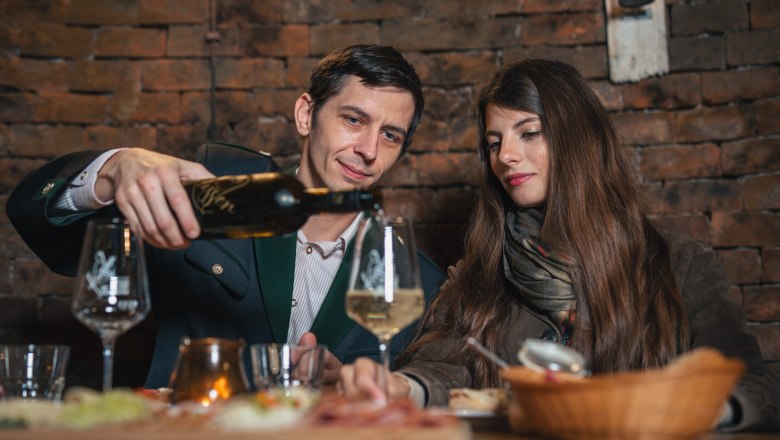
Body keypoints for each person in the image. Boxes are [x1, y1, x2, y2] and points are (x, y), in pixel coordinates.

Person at [339, 59, 779, 431]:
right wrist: (401, 386)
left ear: (577, 138)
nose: (505, 155)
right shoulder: (479, 273)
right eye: (494, 142)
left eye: (528, 133)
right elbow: (439, 370)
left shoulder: (680, 264)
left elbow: (757, 388)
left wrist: (688, 411)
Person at [6, 44, 445, 389]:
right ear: (306, 114)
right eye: (353, 119)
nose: (369, 150)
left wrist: (347, 390)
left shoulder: (416, 281)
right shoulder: (218, 189)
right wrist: (112, 169)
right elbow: (42, 225)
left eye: (390, 135)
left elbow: (415, 395)